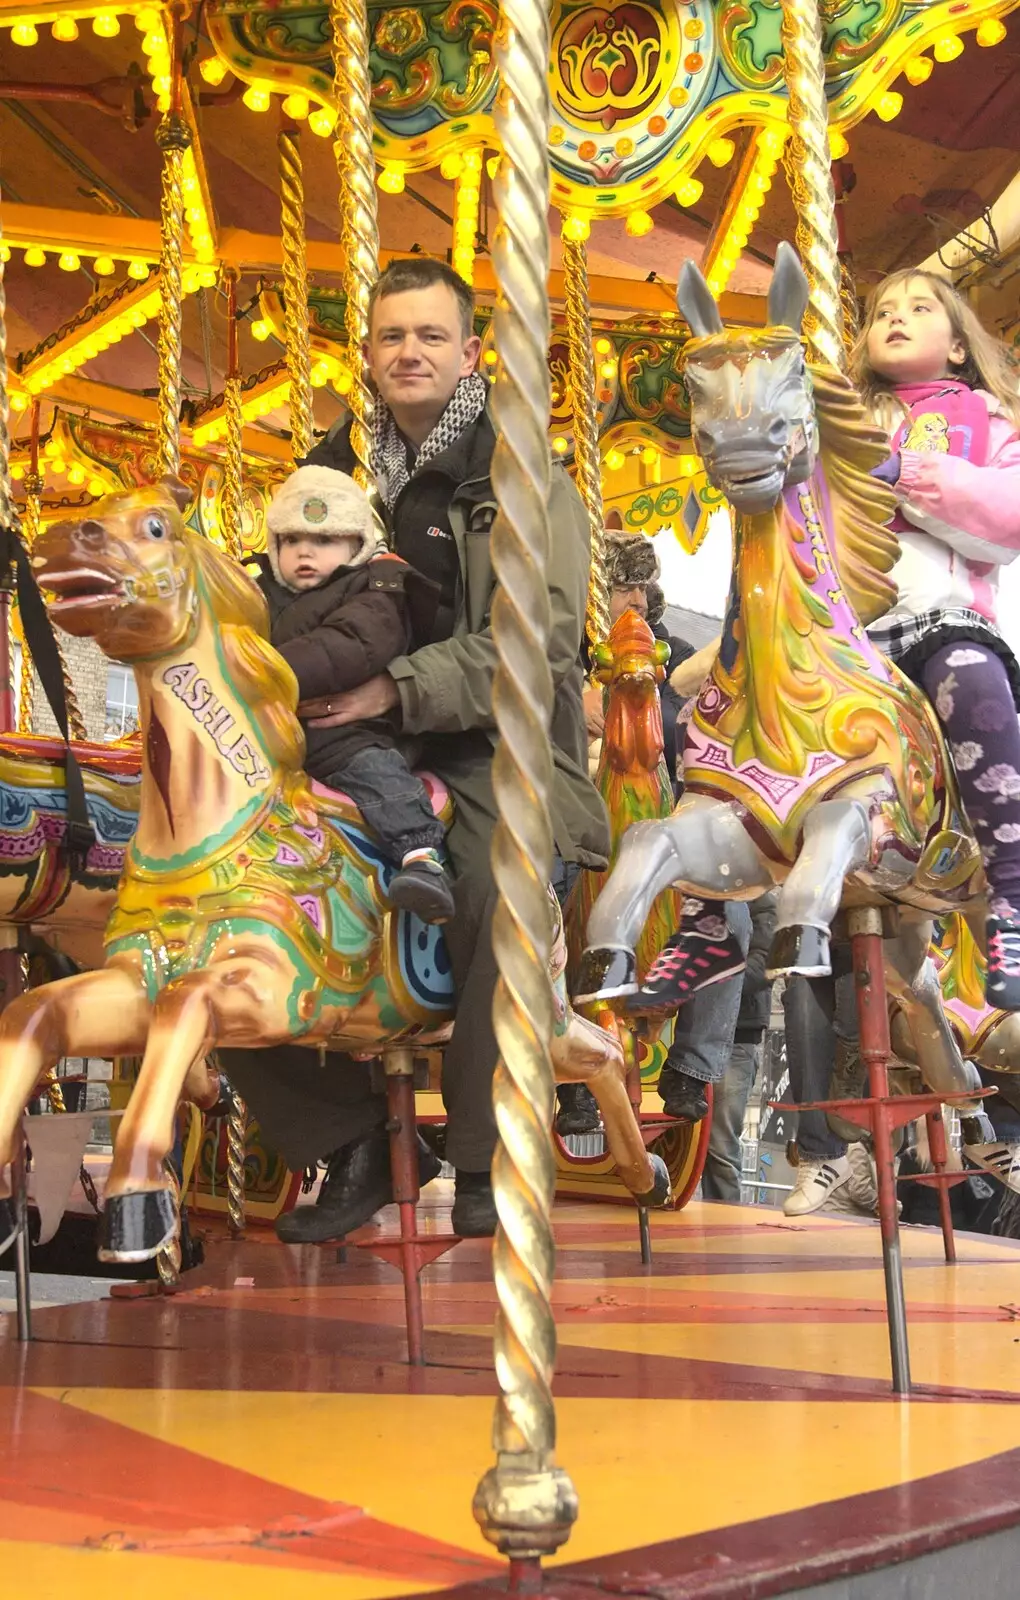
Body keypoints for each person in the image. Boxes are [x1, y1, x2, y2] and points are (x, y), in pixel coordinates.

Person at [221, 256, 608, 1243]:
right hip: (338, 745)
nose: (409, 352)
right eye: (392, 336)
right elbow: (275, 596)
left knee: (494, 884)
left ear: (471, 351)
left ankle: (480, 1153)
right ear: (369, 354)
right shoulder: (328, 473)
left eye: (430, 335)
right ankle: (343, 1135)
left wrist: (397, 686)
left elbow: (543, 636)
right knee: (217, 901)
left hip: (492, 745)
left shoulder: (520, 473)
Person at [853, 269, 1020, 1009]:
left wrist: (908, 472)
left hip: (939, 619)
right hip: (852, 635)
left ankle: (1013, 896)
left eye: (919, 309)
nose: (895, 318)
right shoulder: (847, 418)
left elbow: (1007, 519)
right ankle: (710, 914)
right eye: (882, 311)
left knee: (976, 687)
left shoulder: (986, 418)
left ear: (957, 346)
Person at [257, 465, 454, 922]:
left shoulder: (376, 588)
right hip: (268, 732)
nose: (305, 552)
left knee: (374, 771)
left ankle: (421, 855)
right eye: (290, 540)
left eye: (324, 540)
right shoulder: (260, 593)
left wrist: (265, 671)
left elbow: (354, 645)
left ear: (357, 545)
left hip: (344, 730)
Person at [655, 894, 777, 1207]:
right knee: (677, 1136)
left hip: (737, 1036)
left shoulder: (761, 901)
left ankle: (726, 1216)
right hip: (689, 1030)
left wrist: (710, 982)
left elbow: (766, 964)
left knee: (720, 1146)